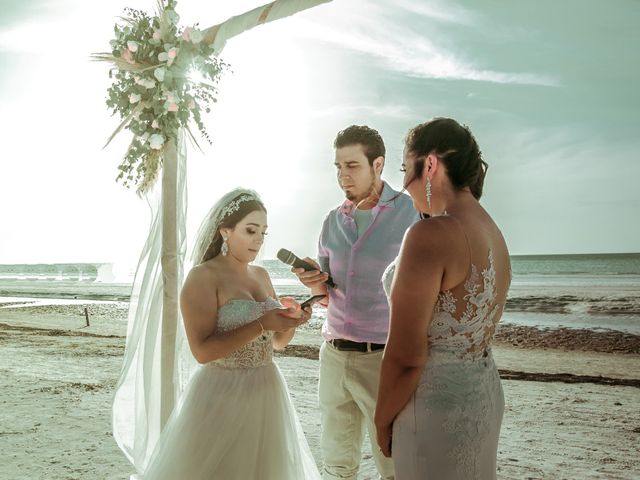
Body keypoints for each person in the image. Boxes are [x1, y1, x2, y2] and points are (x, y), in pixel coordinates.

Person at [138, 188, 321, 480]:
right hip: (222, 393)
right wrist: (263, 323)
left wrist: (292, 322)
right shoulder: (203, 277)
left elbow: (278, 343)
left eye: (263, 232)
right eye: (250, 230)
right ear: (225, 231)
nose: (259, 240)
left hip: (267, 389)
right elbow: (202, 352)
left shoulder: (261, 275)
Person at [375, 118, 511, 479]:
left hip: (434, 406)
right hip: (483, 395)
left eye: (406, 169)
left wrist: (382, 417)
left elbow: (406, 356)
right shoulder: (493, 231)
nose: (405, 185)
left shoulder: (430, 234)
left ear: (430, 165)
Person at [293, 125, 419, 480]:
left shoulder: (411, 215)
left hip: (382, 358)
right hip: (333, 355)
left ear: (377, 164)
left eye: (352, 165)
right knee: (336, 464)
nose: (342, 176)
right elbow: (326, 293)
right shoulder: (332, 221)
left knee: (392, 463)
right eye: (337, 166)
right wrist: (314, 283)